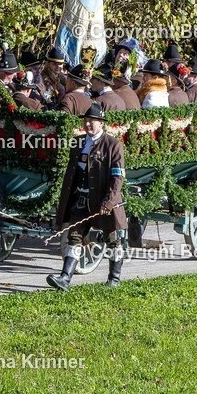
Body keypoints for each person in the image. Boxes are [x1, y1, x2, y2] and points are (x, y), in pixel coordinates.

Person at [46, 103, 127, 290]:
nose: (89, 125)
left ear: (102, 123)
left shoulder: (113, 145)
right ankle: (64, 278)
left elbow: (117, 176)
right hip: (80, 200)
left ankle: (114, 279)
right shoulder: (78, 142)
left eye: (93, 121)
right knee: (74, 237)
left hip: (104, 203)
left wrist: (109, 201)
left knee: (113, 240)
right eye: (87, 121)